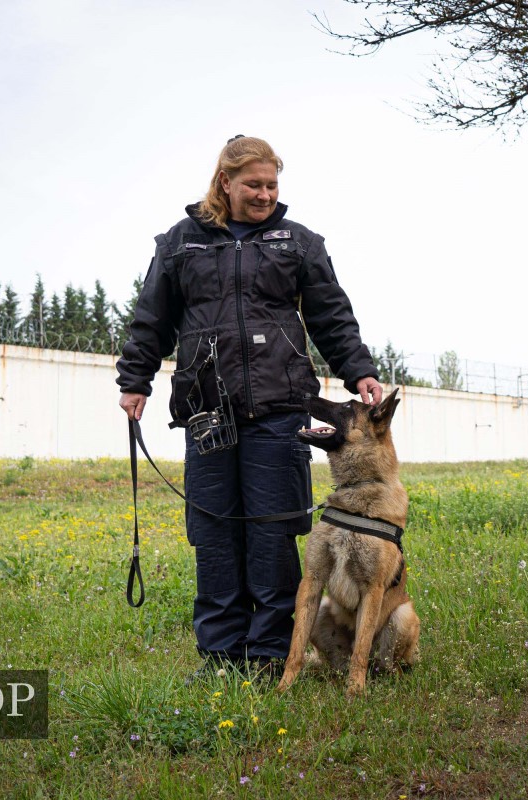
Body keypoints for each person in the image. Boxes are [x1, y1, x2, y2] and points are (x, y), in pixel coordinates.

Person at [116, 135, 382, 681]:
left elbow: (331, 314)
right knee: (213, 534)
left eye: (271, 184)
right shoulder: (179, 244)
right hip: (206, 409)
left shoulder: (297, 242)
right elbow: (152, 317)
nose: (264, 195)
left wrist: (358, 369)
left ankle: (267, 657)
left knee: (272, 530)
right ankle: (219, 657)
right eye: (253, 185)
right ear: (225, 183)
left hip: (280, 406)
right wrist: (135, 378)